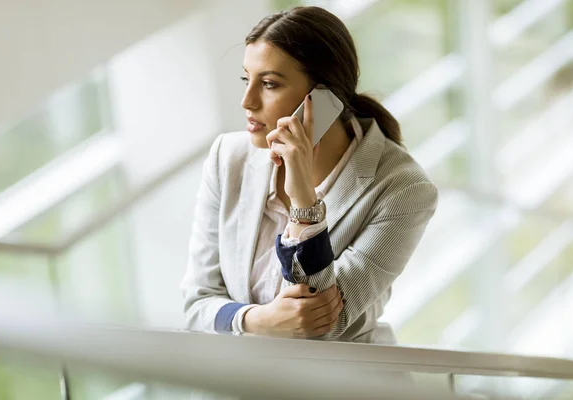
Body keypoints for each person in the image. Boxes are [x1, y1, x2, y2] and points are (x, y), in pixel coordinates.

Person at [180, 6, 438, 344]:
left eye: (269, 84)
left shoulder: (404, 190)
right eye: (247, 79)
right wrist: (256, 319)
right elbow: (196, 305)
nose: (247, 101)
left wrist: (304, 201)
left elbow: (324, 324)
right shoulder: (228, 159)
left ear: (324, 98)